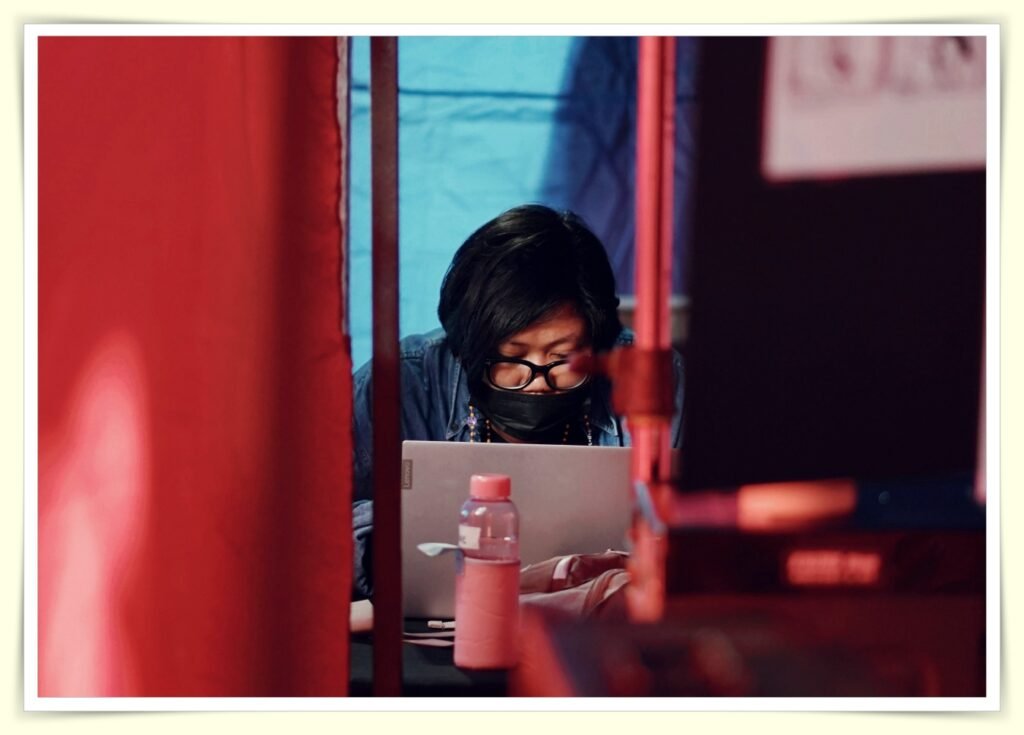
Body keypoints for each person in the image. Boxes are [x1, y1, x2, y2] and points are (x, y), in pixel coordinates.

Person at [351, 204, 683, 600]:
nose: (537, 383)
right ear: (468, 347)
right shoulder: (402, 384)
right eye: (512, 356)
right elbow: (323, 527)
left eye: (562, 358)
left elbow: (686, 519)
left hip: (598, 622)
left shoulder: (650, 378)